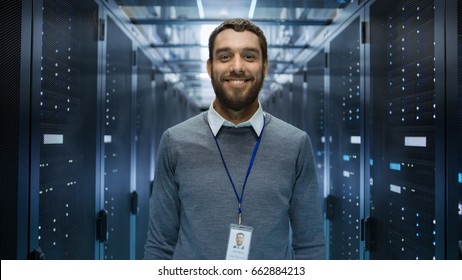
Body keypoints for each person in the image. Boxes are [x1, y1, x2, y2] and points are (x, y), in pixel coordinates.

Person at [144, 18, 325, 260]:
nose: (237, 67)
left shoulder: (296, 144)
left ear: (265, 67)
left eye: (249, 56)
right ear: (210, 67)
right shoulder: (175, 141)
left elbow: (310, 246)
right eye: (225, 56)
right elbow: (159, 246)